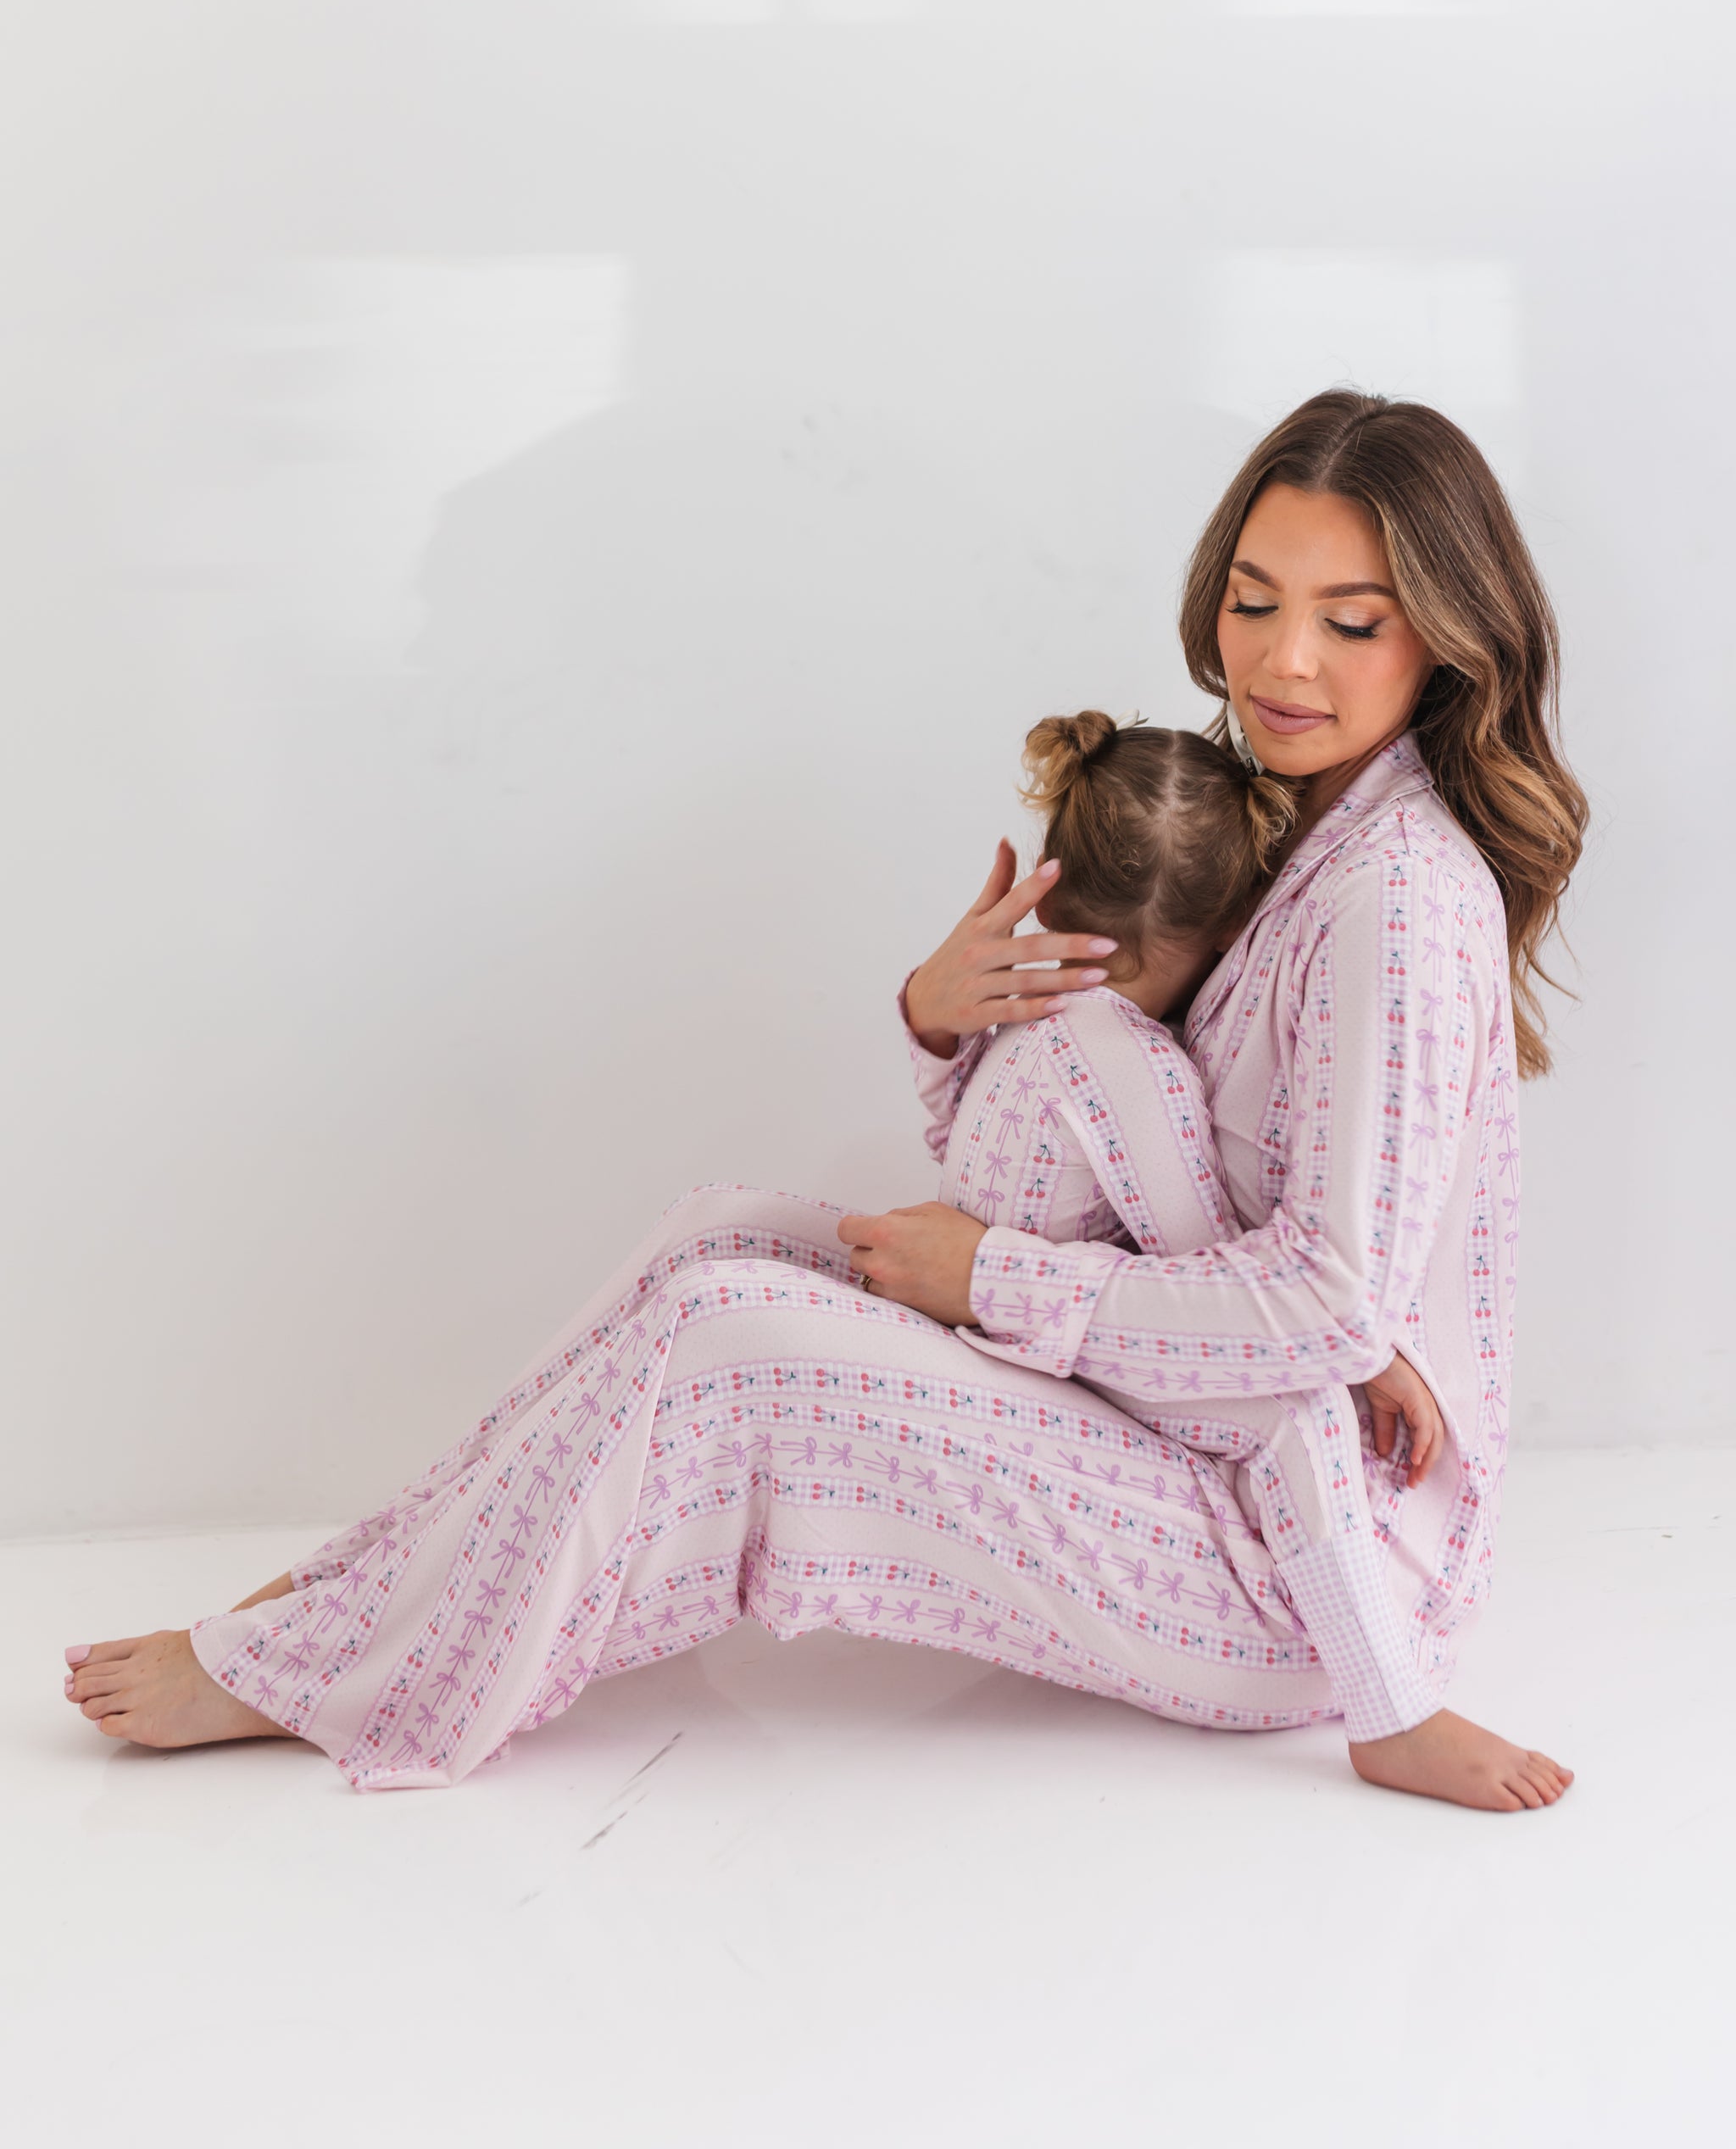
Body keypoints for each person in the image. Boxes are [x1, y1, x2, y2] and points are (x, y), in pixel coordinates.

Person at [62, 389, 1583, 1810]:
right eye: (1253, 602)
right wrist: (944, 1014)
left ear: (1448, 640)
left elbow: (1318, 1302)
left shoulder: (1394, 896)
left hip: (1305, 1570)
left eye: (1350, 621)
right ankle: (364, 1593)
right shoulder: (1281, 819)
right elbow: (1160, 1164)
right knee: (719, 1234)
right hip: (1205, 1419)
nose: (1284, 663)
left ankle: (353, 1665)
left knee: (733, 1338)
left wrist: (992, 1279)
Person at [929, 708, 1449, 1752]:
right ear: (1231, 926)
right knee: (1298, 1411)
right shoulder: (1136, 1067)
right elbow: (1202, 1265)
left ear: (1050, 886)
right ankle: (1391, 1717)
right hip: (1022, 1332)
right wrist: (1362, 1356)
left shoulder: (1019, 1006)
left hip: (998, 1297)